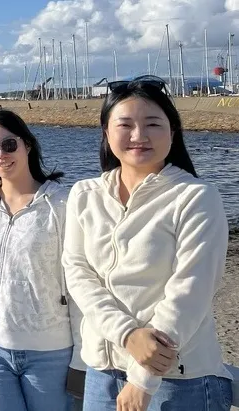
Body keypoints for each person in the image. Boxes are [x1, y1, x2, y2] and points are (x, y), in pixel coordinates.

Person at [63, 75, 234, 411]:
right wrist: (127, 334)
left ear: (173, 132)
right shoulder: (85, 195)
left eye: (153, 124)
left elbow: (191, 291)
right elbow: (77, 272)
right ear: (106, 132)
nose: (139, 136)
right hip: (103, 371)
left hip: (179, 379)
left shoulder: (195, 197)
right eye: (125, 124)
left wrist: (143, 377)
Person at [0, 108, 83, 411]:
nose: (0, 154)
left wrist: (81, 355)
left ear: (27, 143)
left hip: (49, 350)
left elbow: (79, 282)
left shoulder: (62, 204)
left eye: (9, 144)